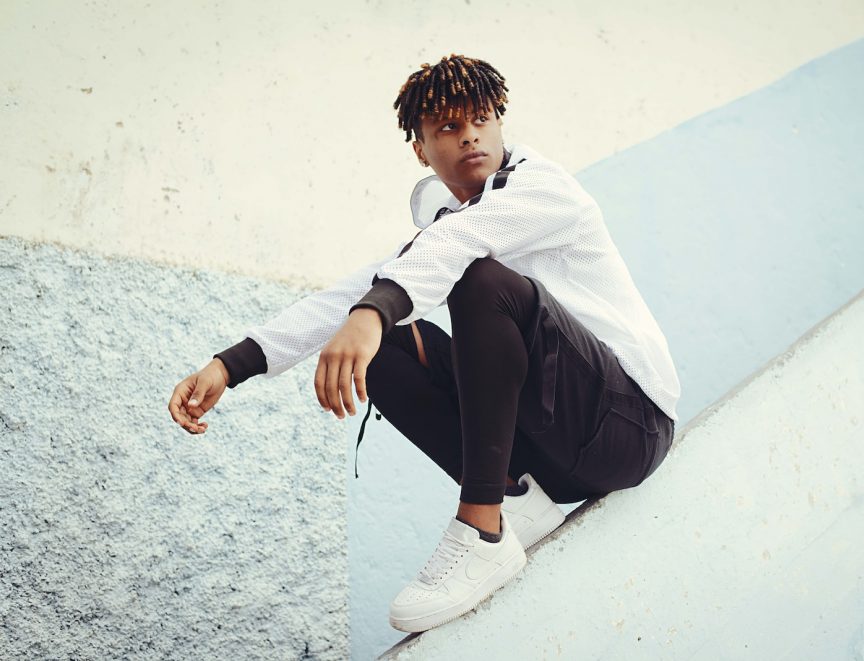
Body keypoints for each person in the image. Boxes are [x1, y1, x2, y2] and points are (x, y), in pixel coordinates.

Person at [168, 54, 680, 634]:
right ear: (421, 149)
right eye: (448, 128)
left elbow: (458, 246)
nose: (470, 137)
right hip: (555, 463)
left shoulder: (540, 186)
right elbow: (364, 288)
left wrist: (373, 310)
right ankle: (513, 495)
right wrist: (228, 365)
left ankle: (483, 526)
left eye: (481, 120)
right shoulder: (450, 225)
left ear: (500, 124)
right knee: (381, 339)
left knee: (474, 279)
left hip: (629, 428)